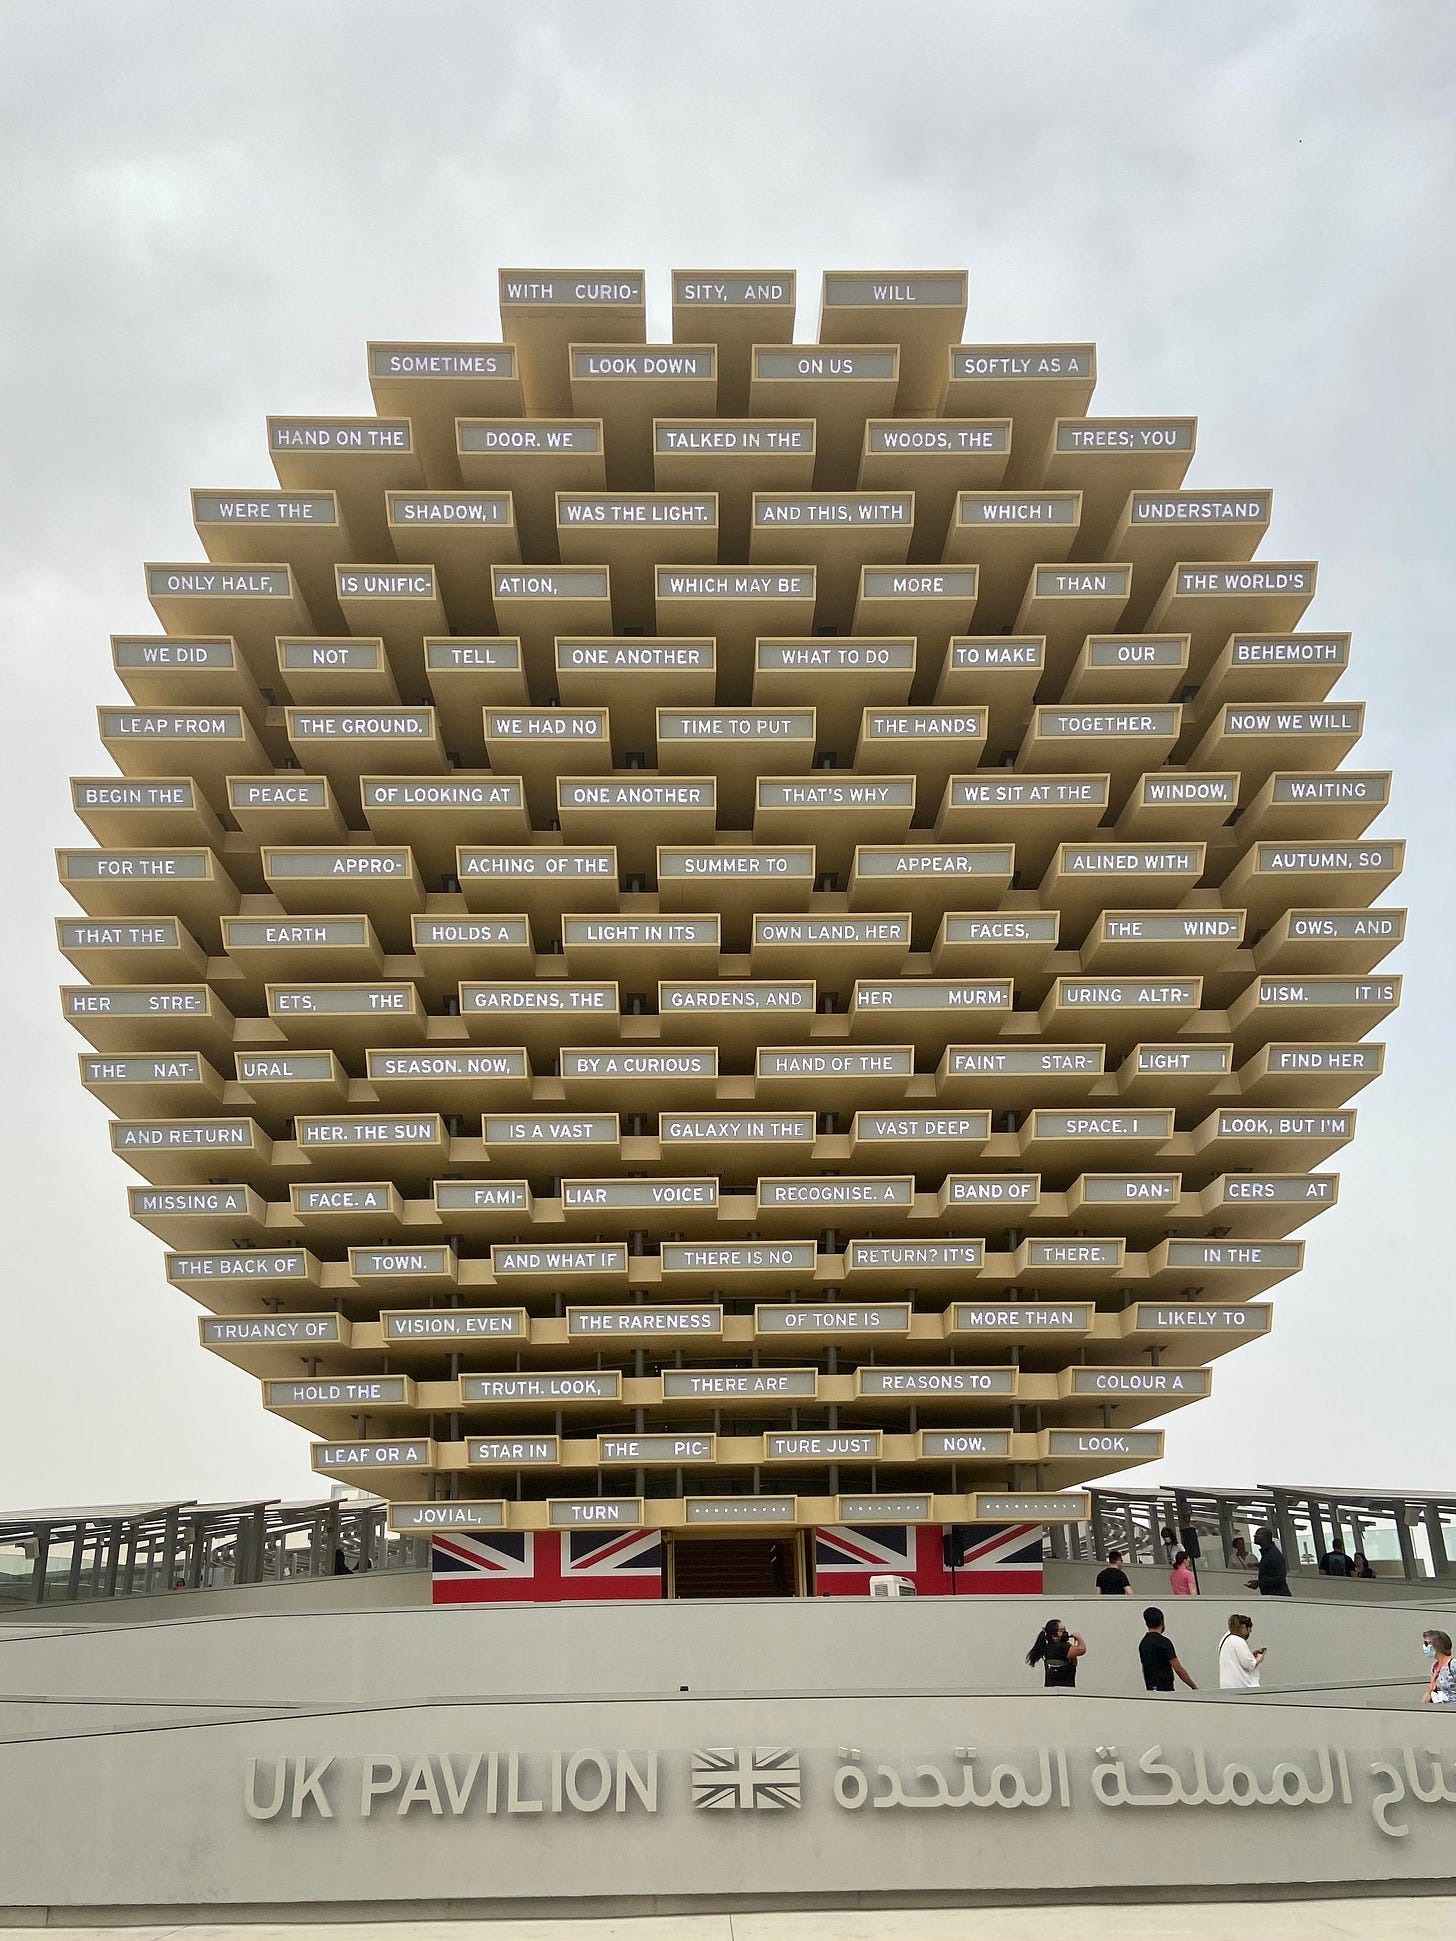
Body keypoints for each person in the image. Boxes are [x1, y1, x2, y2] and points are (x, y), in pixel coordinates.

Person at [1139, 1607, 1197, 1691]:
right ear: (1162, 1622)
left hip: (1151, 1690)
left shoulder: (1143, 1643)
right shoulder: (1164, 1642)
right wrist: (1193, 1686)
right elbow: (1178, 1669)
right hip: (1166, 1690)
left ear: (1146, 1623)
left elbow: (1144, 1668)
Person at [1025, 1616, 1086, 1688]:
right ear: (1054, 1636)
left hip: (1050, 1688)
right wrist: (1079, 1638)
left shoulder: (1047, 1648)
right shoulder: (1061, 1648)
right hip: (1065, 1689)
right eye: (1062, 1631)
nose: (1065, 1633)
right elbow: (1081, 1649)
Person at [1219, 1613, 1266, 1690]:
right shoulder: (1238, 1640)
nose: (1248, 1635)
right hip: (1241, 1686)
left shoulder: (1225, 1639)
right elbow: (1249, 1664)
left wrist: (1251, 1655)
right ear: (1244, 1627)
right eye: (1249, 1631)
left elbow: (1235, 1659)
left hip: (1226, 1686)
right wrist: (1259, 1659)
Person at [1247, 1525, 1290, 1597]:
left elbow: (1279, 1578)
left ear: (1265, 1537)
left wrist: (1258, 1583)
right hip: (1273, 1595)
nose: (1255, 1536)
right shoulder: (1268, 1553)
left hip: (1278, 1595)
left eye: (1258, 1534)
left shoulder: (1273, 1554)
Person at [1421, 1629, 1456, 1705]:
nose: (1425, 1647)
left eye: (1427, 1643)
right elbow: (1430, 1691)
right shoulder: (1435, 1667)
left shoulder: (1453, 1664)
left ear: (1438, 1645)